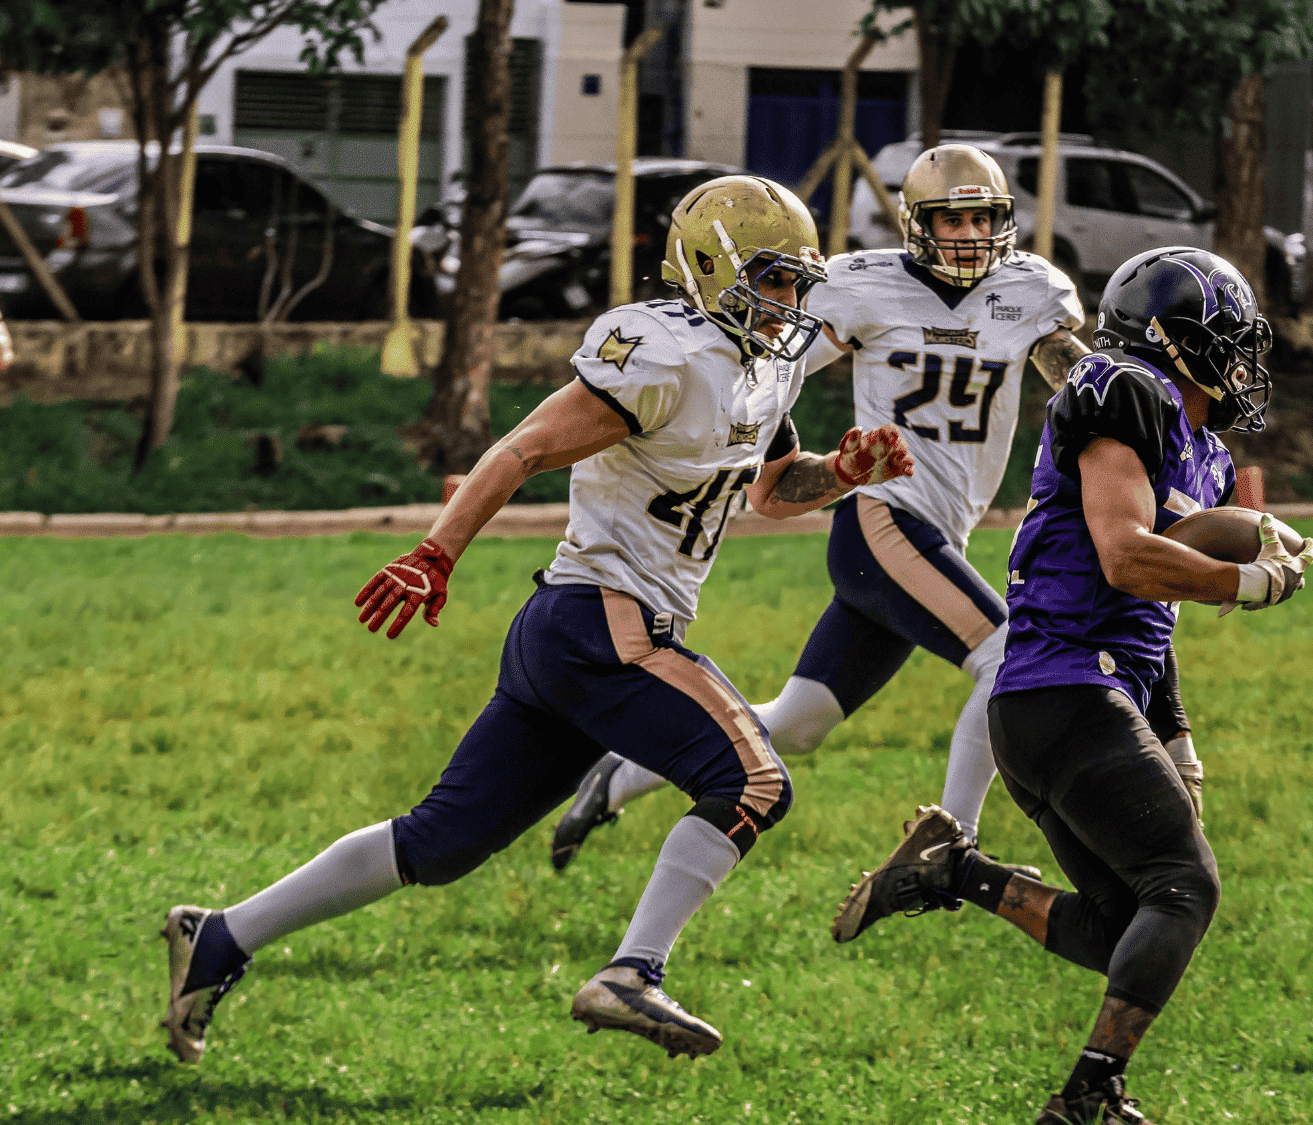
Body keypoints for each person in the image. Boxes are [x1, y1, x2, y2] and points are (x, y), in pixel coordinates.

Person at [157, 175, 915, 1066]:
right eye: (772, 279)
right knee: (755, 782)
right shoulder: (662, 353)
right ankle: (634, 970)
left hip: (575, 634)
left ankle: (220, 936)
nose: (788, 302)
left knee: (437, 845)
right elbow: (522, 448)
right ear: (709, 269)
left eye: (796, 281)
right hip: (603, 620)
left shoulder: (766, 363)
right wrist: (436, 552)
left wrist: (843, 471)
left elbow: (773, 488)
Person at [546, 144, 1203, 871]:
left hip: (932, 535)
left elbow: (1082, 387)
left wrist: (1141, 441)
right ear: (915, 222)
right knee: (1010, 655)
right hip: (883, 518)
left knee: (798, 722)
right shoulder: (861, 284)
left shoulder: (1030, 290)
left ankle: (618, 773)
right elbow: (770, 363)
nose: (969, 235)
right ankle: (951, 843)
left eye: (983, 217)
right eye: (950, 219)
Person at [826, 247, 1313, 1124]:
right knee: (1185, 888)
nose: (1243, 364)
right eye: (1227, 342)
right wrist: (1246, 580)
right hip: (1064, 689)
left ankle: (955, 874)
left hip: (1076, 699)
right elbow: (1128, 557)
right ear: (1171, 341)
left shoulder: (1193, 443)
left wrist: (1180, 735)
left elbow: (1167, 574)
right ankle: (1089, 1094)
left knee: (1125, 919)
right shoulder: (1122, 390)